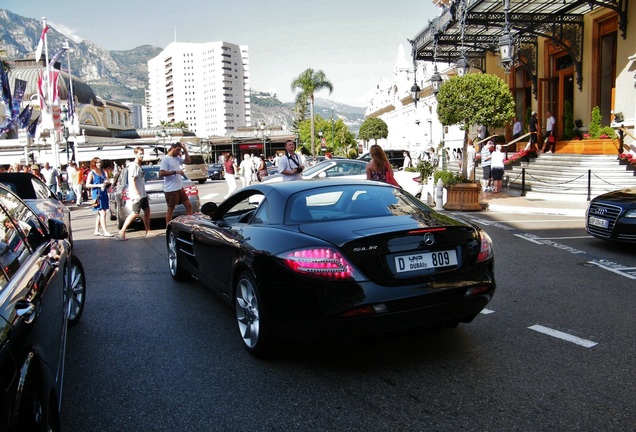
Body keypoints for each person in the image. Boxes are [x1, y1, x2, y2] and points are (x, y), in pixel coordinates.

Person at [117, 147, 152, 240]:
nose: (142, 155)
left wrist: (143, 193)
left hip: (143, 193)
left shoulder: (139, 166)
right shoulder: (134, 166)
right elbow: (132, 180)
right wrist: (136, 193)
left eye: (143, 153)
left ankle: (148, 231)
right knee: (135, 213)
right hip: (137, 194)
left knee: (147, 211)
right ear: (136, 154)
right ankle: (122, 231)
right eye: (140, 154)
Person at [159, 142, 192, 225]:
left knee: (189, 206)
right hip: (171, 189)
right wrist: (175, 172)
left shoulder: (177, 158)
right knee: (171, 209)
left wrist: (185, 150)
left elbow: (188, 161)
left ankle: (189, 224)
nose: (178, 152)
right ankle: (168, 226)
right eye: (177, 150)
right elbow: (161, 173)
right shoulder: (166, 159)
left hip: (179, 188)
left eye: (180, 151)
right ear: (172, 148)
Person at [85, 157, 114, 237]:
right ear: (93, 163)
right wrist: (98, 185)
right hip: (97, 194)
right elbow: (87, 184)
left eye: (100, 162)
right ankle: (105, 231)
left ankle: (96, 230)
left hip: (103, 192)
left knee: (100, 213)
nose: (99, 164)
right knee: (102, 212)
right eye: (97, 162)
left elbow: (106, 180)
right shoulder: (92, 173)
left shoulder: (103, 171)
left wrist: (106, 183)